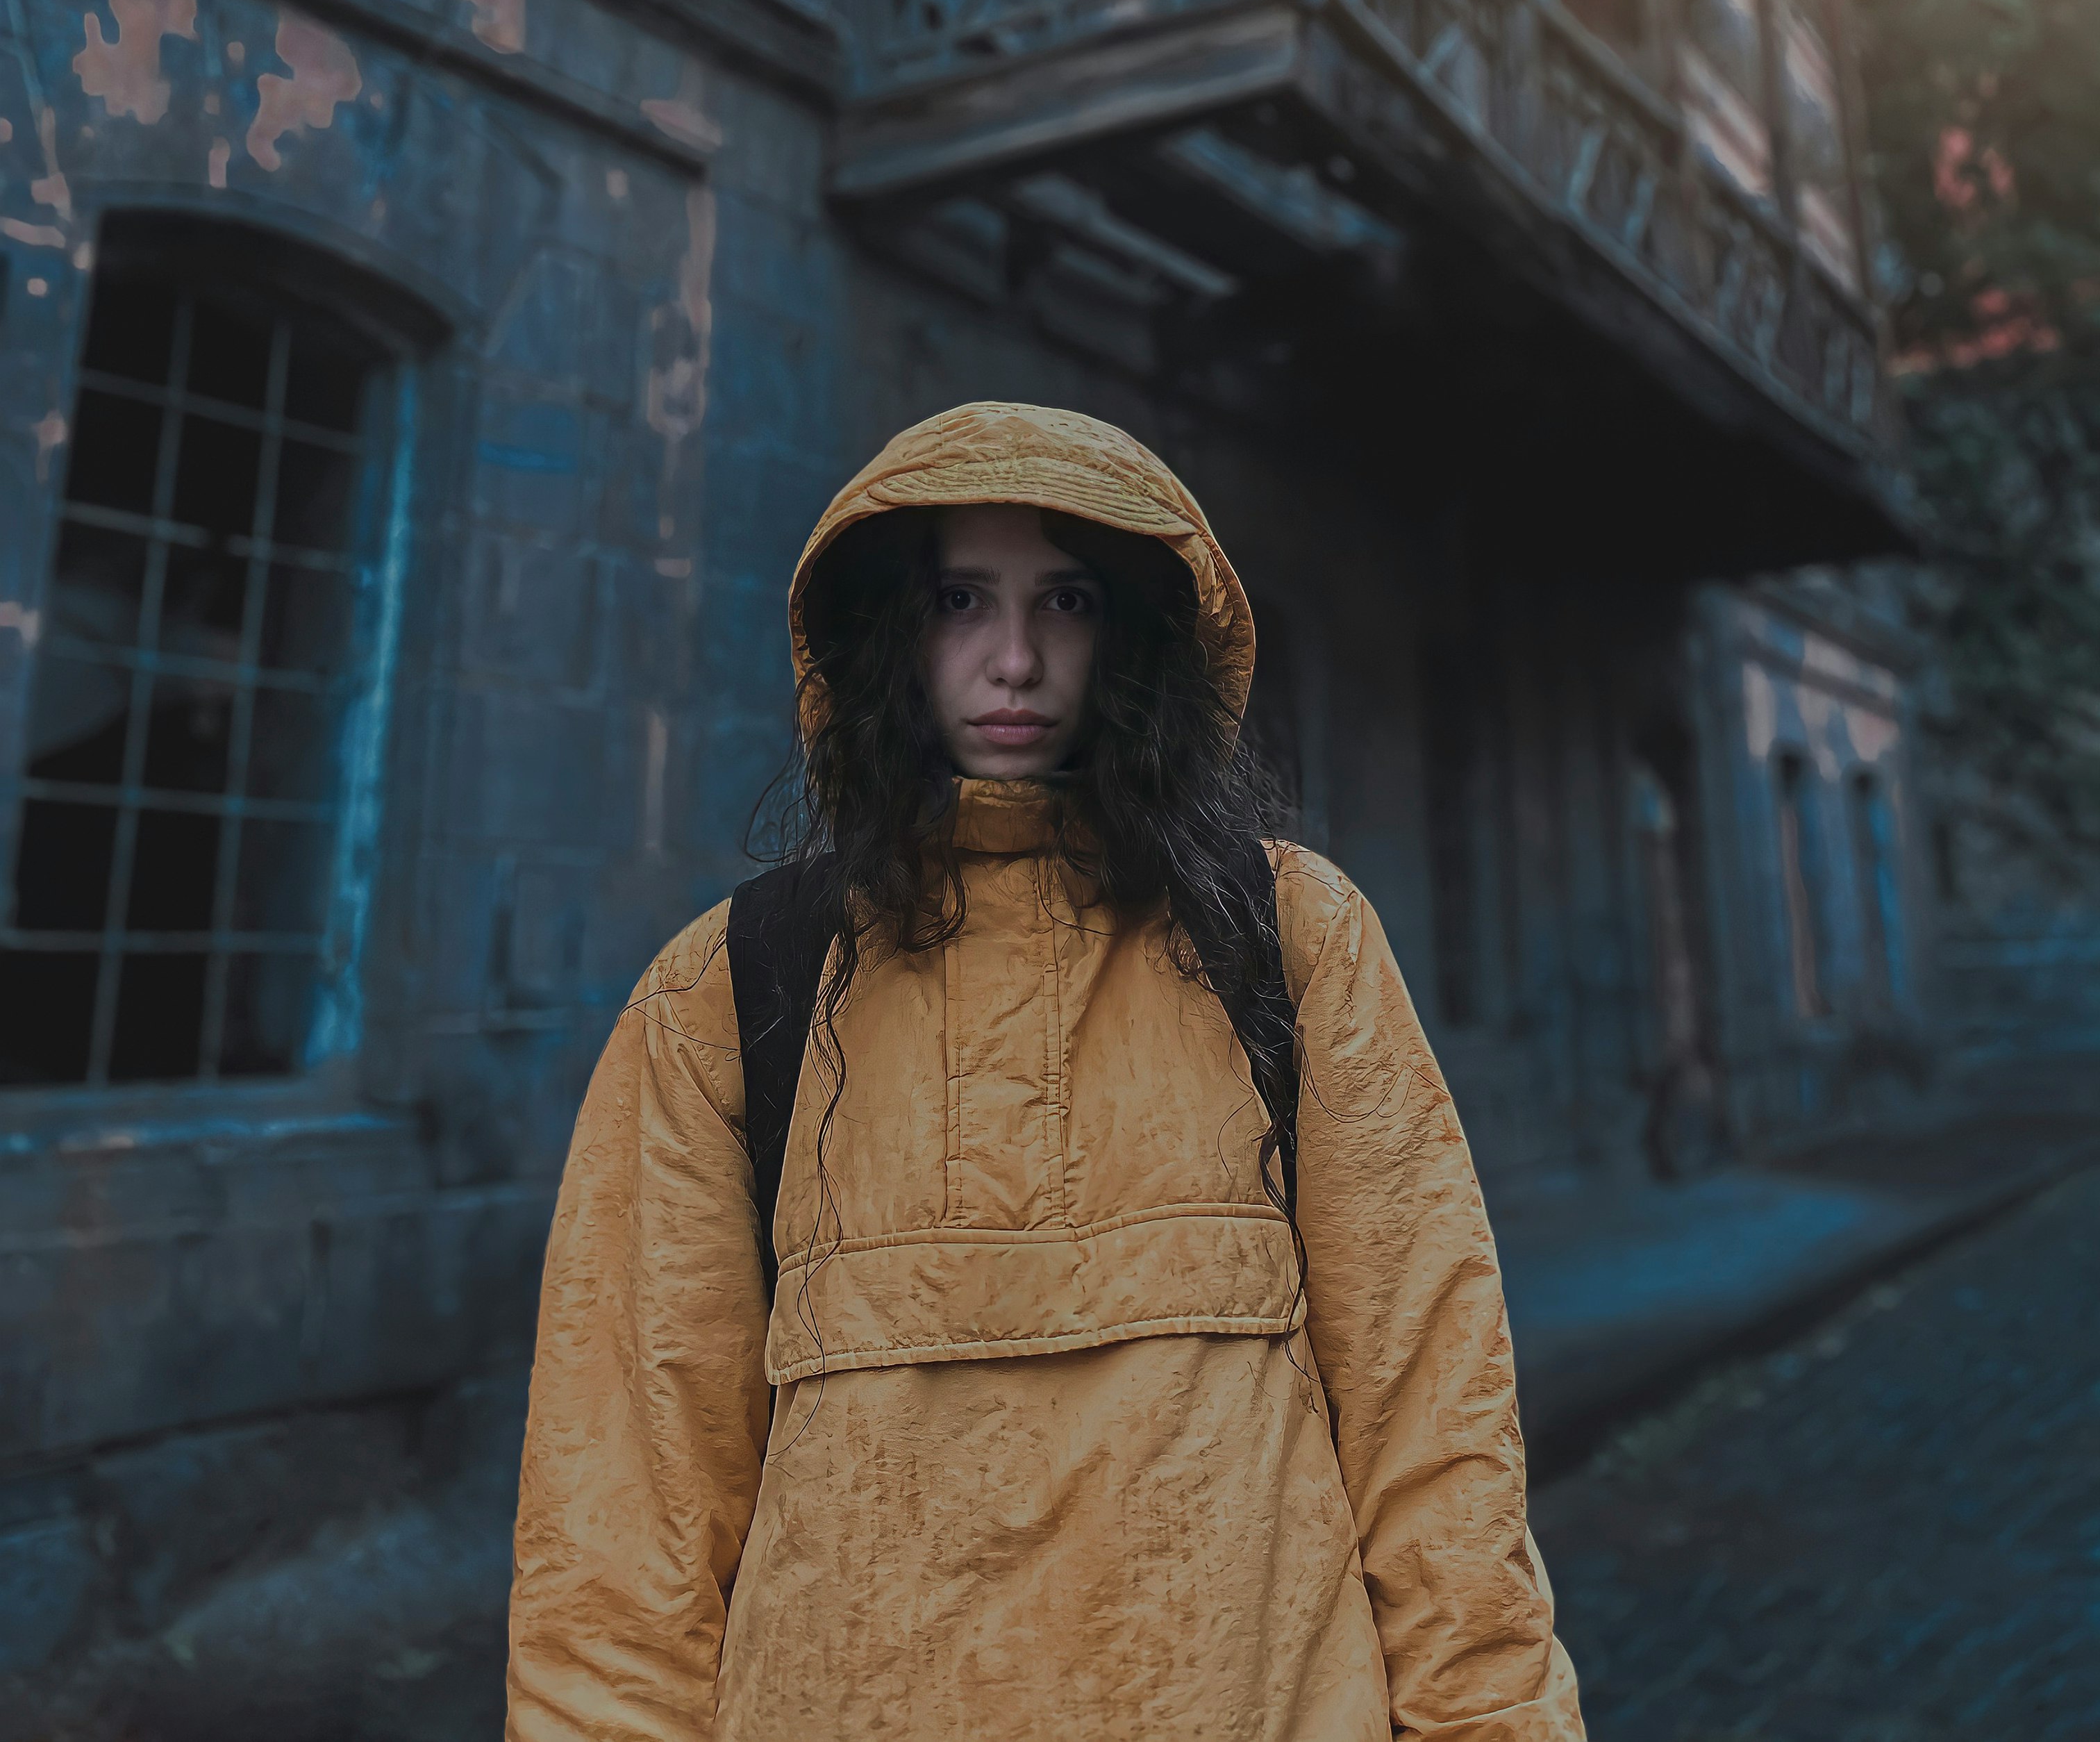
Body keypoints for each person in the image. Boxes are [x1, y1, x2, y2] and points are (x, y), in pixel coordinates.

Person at [506, 401, 1584, 1741]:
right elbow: (624, 1511)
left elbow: (1436, 1419)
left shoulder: (1289, 940)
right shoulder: (735, 984)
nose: (1013, 659)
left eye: (1063, 601)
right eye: (962, 599)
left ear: (1128, 632)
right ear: (890, 631)